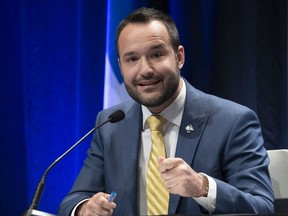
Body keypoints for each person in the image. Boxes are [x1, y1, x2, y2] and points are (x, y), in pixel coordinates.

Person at [59, 7, 274, 216]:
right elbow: (74, 200)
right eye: (132, 59)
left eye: (156, 54)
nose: (145, 70)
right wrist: (85, 208)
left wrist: (203, 187)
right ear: (121, 66)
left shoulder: (233, 121)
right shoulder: (111, 124)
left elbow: (262, 206)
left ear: (179, 57)